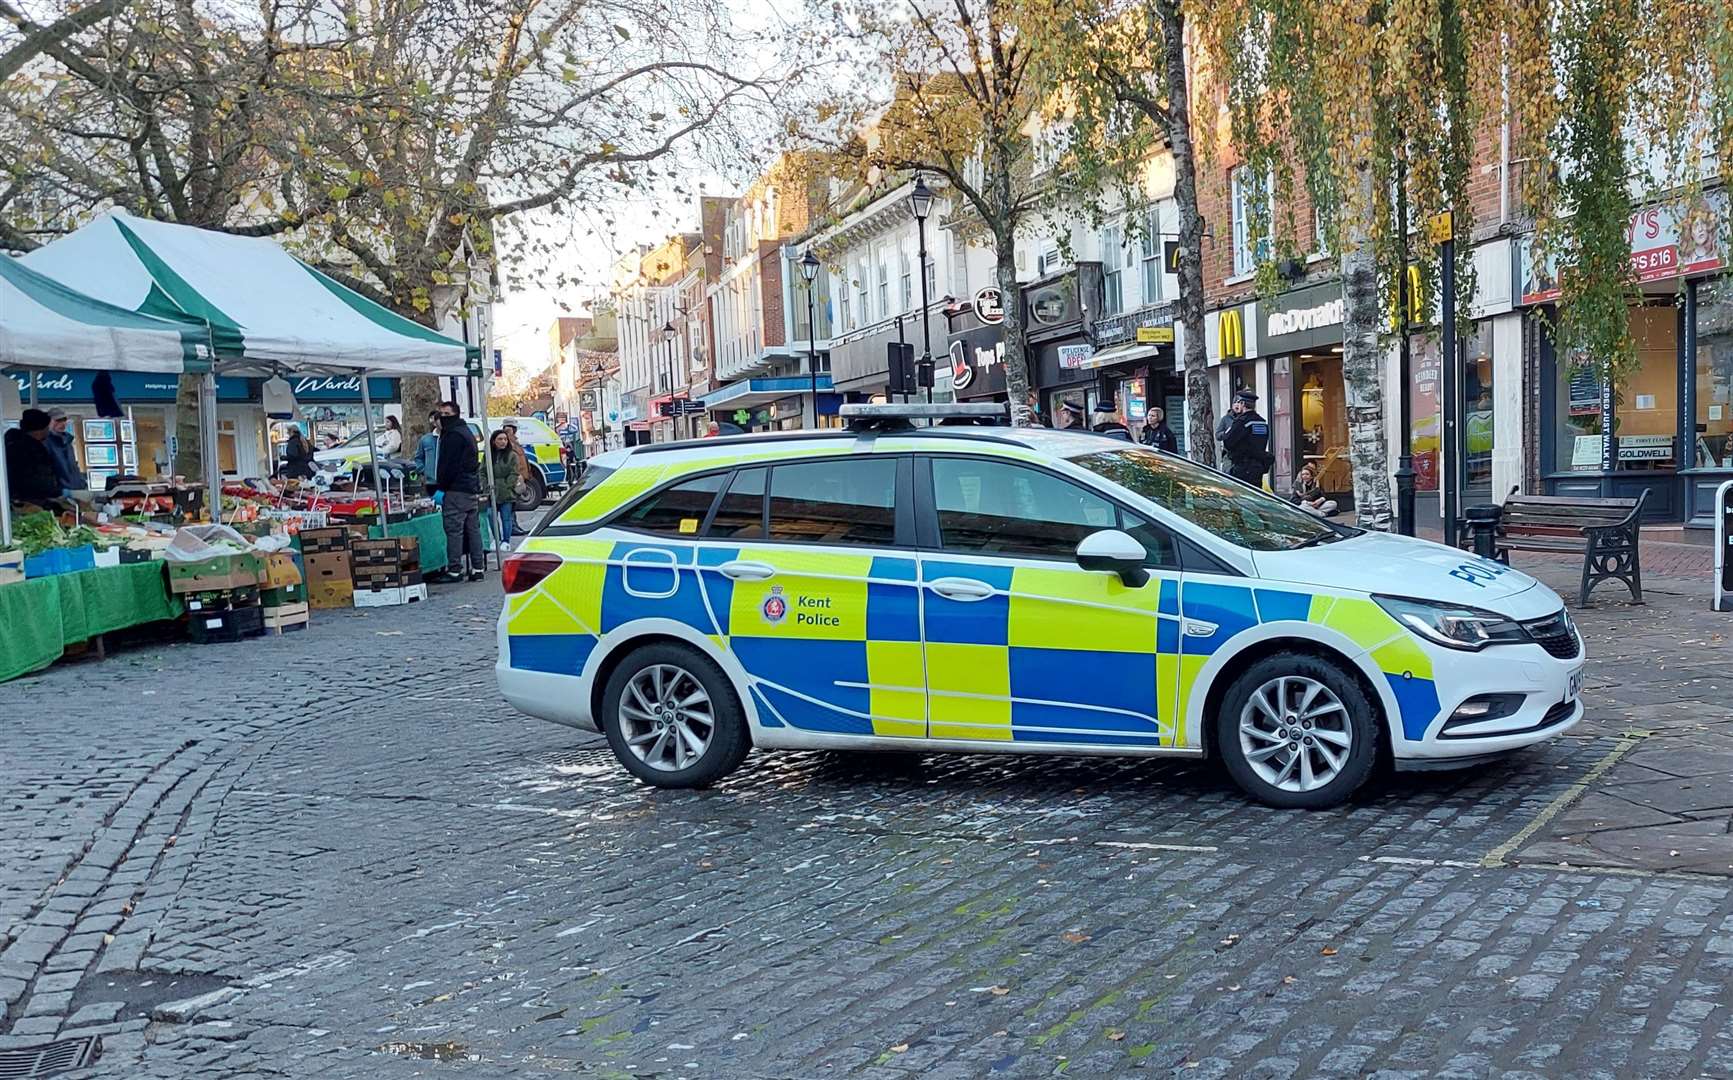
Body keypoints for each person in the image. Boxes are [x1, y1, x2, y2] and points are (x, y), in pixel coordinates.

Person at [428, 401, 484, 582]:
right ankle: (478, 567)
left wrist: (441, 488)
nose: (442, 418)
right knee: (473, 530)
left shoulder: (452, 435)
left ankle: (454, 570)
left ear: (454, 414)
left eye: (445, 414)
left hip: (456, 489)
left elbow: (448, 465)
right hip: (469, 488)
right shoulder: (466, 432)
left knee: (454, 530)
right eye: (440, 414)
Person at [5, 408, 65, 506]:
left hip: (20, 500)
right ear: (39, 431)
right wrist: (56, 492)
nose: (48, 430)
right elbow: (40, 479)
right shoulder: (32, 450)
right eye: (46, 427)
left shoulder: (12, 444)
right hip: (31, 502)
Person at [1217, 389, 1274, 487]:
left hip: (1242, 468)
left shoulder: (1241, 422)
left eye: (1239, 402)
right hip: (1258, 467)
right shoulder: (1262, 422)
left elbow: (1228, 442)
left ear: (1243, 403)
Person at [44, 409, 84, 493]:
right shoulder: (45, 442)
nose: (62, 423)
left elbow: (73, 466)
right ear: (48, 422)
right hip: (59, 492)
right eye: (58, 420)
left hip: (75, 488)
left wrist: (81, 483)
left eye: (64, 419)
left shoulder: (67, 442)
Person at [411, 411, 440, 482]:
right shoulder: (425, 439)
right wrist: (424, 471)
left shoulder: (452, 438)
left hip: (448, 484)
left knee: (440, 493)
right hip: (430, 481)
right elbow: (418, 458)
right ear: (435, 423)